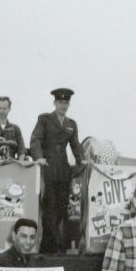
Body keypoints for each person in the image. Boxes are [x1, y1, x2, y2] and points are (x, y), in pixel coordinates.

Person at [30, 88, 85, 253]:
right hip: (48, 168)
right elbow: (35, 139)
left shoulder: (71, 124)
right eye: (60, 102)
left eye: (66, 102)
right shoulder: (45, 119)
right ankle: (49, 246)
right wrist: (38, 157)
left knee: (62, 208)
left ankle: (53, 244)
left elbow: (75, 145)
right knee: (49, 206)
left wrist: (82, 160)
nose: (63, 105)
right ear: (55, 103)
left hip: (63, 170)